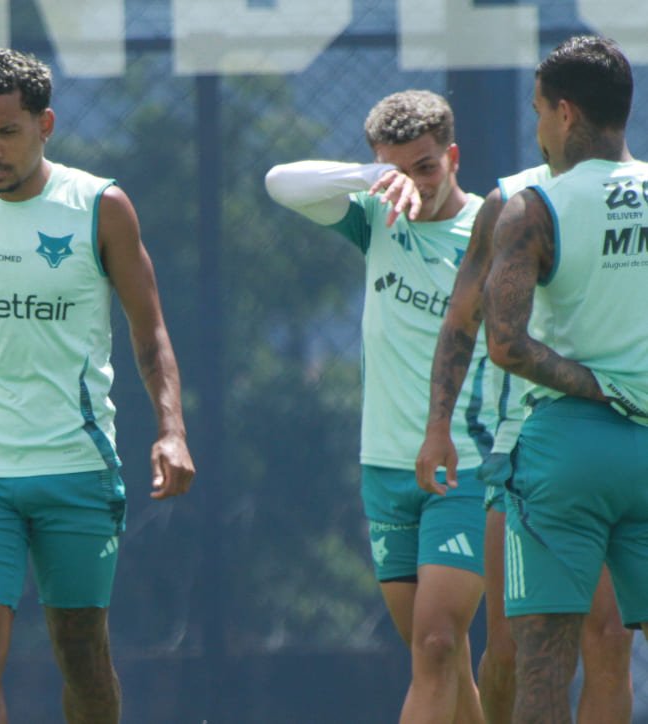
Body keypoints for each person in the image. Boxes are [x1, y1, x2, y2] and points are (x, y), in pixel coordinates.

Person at [0, 48, 194, 723]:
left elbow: (151, 335)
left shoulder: (100, 207)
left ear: (45, 123)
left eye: (7, 132)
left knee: (81, 653)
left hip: (77, 469)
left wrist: (171, 430)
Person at [265, 91, 493, 723]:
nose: (416, 184)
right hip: (385, 471)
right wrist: (372, 177)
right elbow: (280, 182)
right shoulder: (374, 216)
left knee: (439, 643)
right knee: (440, 662)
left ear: (452, 156)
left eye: (427, 166)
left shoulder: (490, 229)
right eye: (400, 170)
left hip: (466, 468)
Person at [415, 158, 633, 722]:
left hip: (625, 438)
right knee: (511, 650)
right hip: (525, 444)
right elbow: (464, 317)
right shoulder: (516, 199)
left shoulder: (636, 195)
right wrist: (438, 426)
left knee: (610, 636)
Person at [482, 35, 646, 722]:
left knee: (544, 667)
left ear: (567, 113)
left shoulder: (535, 206)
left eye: (540, 111)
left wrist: (596, 385)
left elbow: (506, 345)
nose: (538, 127)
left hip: (566, 451)